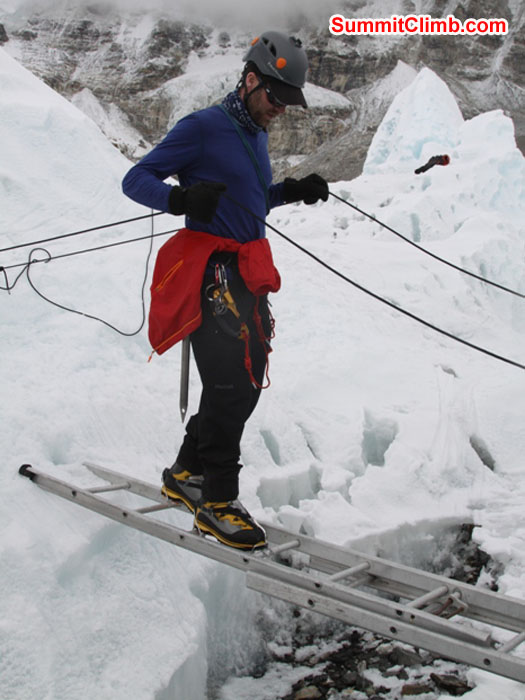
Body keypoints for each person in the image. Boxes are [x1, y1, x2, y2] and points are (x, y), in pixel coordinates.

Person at [122, 30, 328, 550]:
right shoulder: (203, 128)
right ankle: (215, 502)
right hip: (211, 271)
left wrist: (292, 192)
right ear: (252, 80)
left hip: (246, 271)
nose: (281, 109)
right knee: (236, 383)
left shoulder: (255, 130)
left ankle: (185, 475)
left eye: (289, 101)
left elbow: (250, 200)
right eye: (277, 96)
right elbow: (136, 178)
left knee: (240, 379)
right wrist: (179, 200)